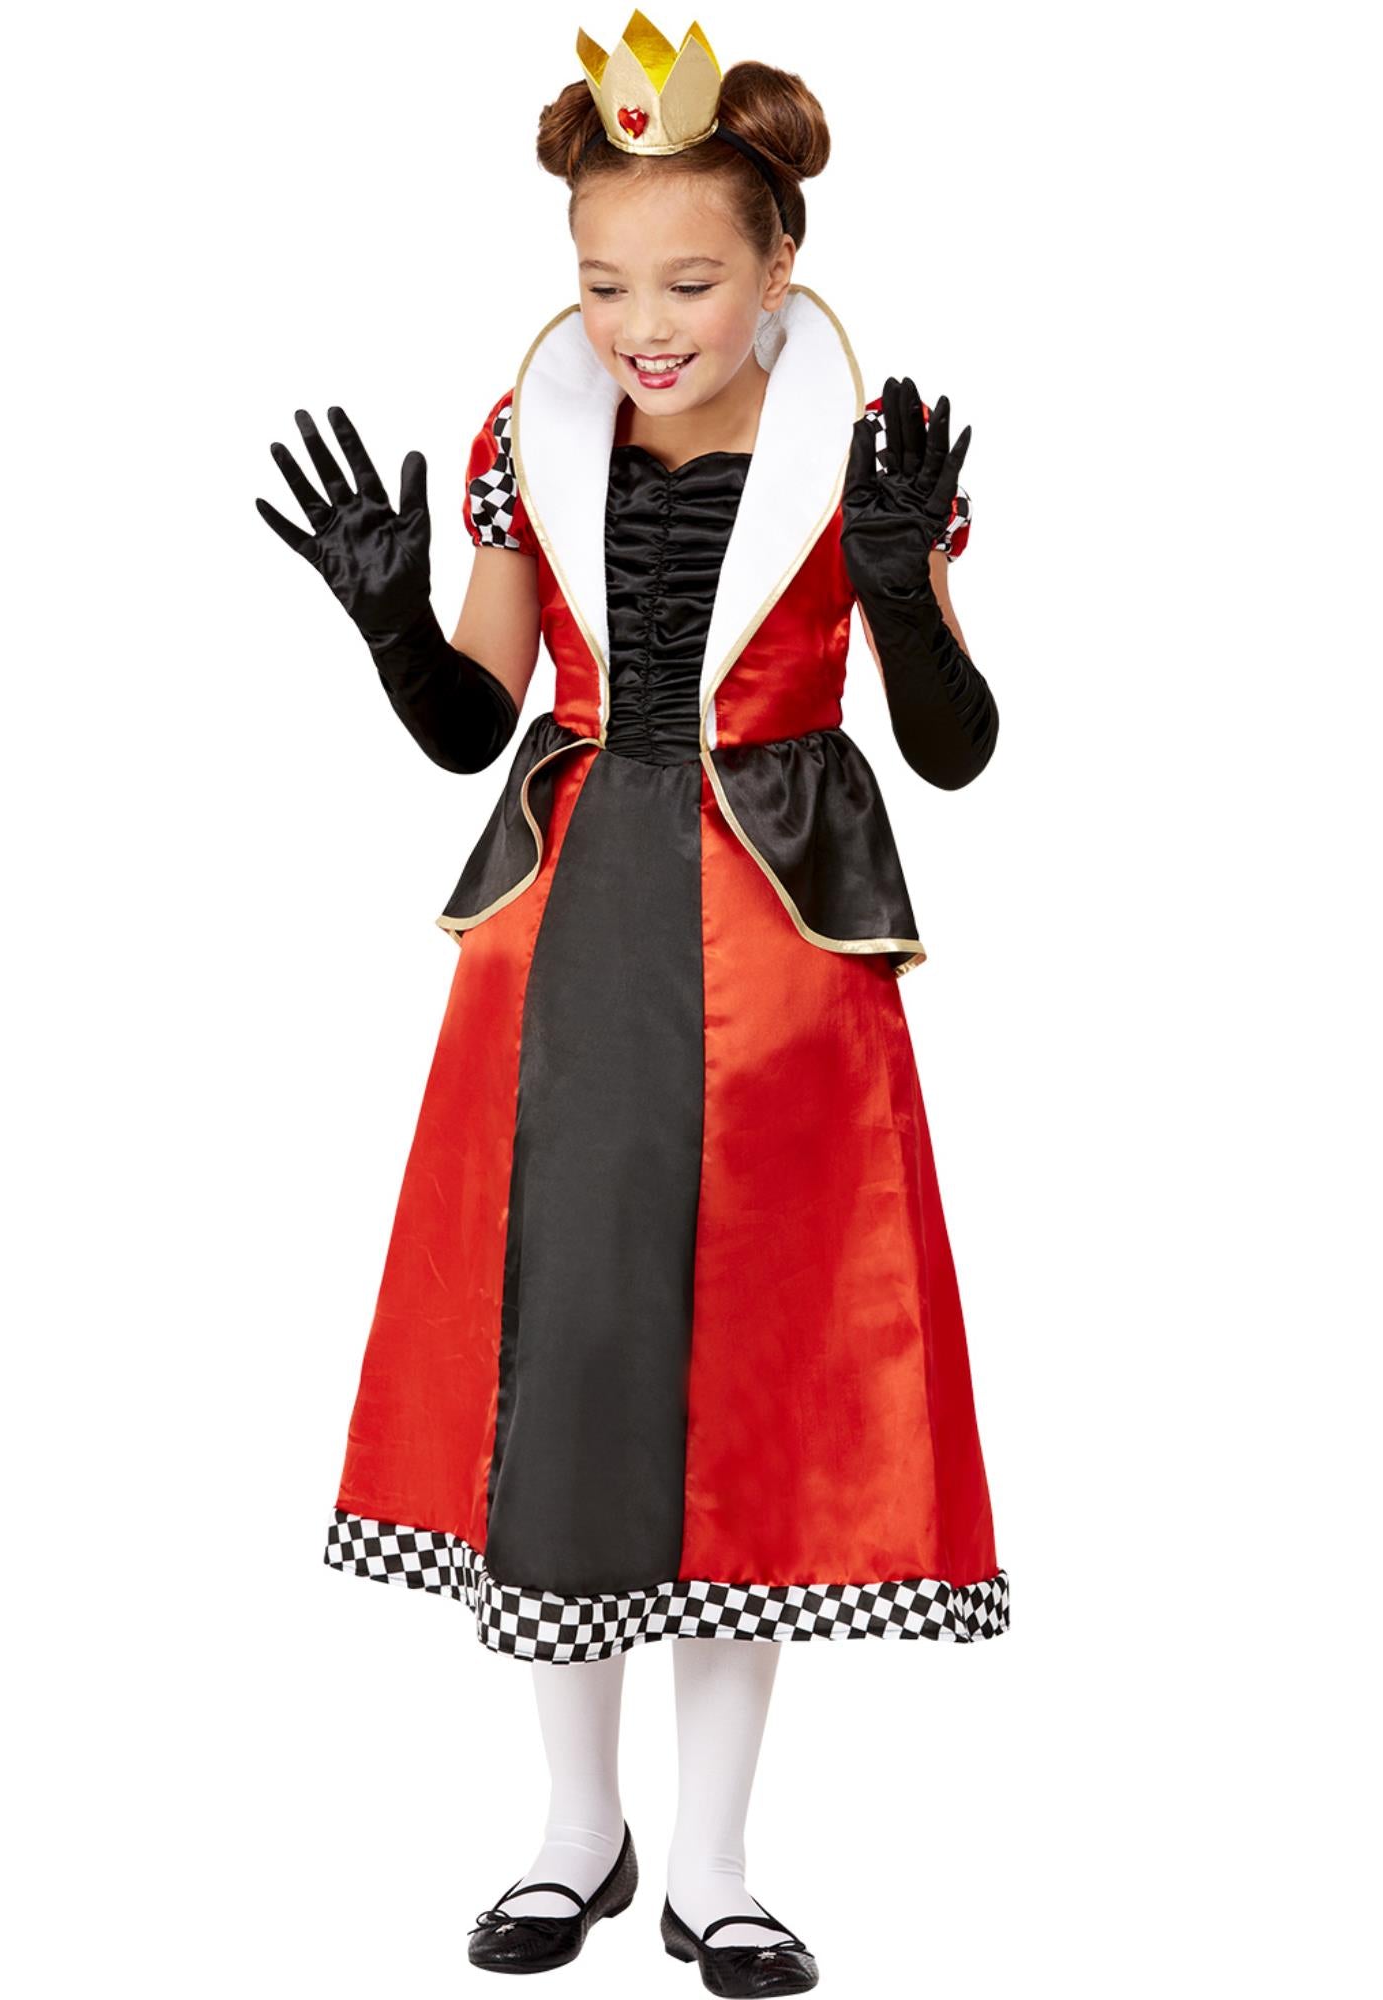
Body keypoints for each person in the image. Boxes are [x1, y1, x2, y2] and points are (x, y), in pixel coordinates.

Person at [256, 12, 1007, 1991]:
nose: (641, 326)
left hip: (782, 950)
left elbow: (954, 748)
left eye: (687, 282)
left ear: (780, 263)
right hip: (565, 939)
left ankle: (719, 1864)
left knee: (750, 1381)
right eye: (602, 284)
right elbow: (470, 722)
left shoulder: (865, 456)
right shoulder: (534, 439)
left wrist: (893, 579)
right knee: (567, 1360)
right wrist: (392, 620)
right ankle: (572, 1833)